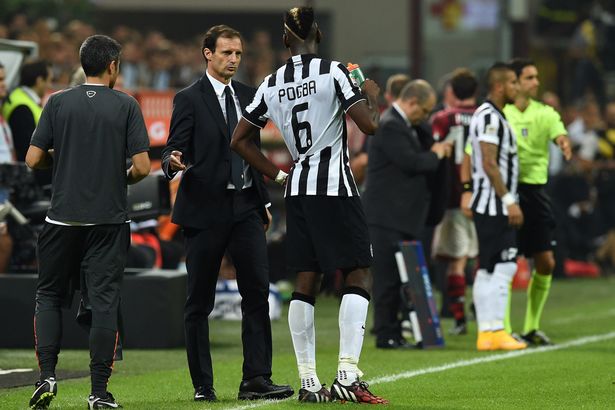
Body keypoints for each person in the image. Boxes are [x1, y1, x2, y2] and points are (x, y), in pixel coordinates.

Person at [231, 6, 388, 405]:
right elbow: (368, 126)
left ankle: (309, 382)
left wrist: (277, 174)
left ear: (285, 39)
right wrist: (371, 93)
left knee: (306, 279)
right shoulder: (335, 71)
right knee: (358, 272)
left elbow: (239, 140)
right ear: (317, 32)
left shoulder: (271, 82)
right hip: (334, 186)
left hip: (297, 188)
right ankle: (348, 375)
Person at [161, 25, 292, 403]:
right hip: (204, 210)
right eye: (226, 53)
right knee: (198, 302)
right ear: (208, 54)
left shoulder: (250, 96)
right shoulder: (188, 98)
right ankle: (203, 385)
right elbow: (173, 147)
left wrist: (264, 202)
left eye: (238, 53)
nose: (233, 59)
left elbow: (249, 152)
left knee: (257, 294)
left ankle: (256, 379)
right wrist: (172, 162)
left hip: (246, 208)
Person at [25, 34, 151, 409]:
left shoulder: (57, 102)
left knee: (48, 295)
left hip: (60, 220)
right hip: (108, 222)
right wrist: (121, 176)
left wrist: (57, 161)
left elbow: (32, 160)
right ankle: (98, 391)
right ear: (113, 66)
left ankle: (47, 375)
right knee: (104, 302)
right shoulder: (126, 106)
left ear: (83, 63)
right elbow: (142, 167)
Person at [362, 80, 451, 349]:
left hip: (400, 216)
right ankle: (386, 334)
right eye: (423, 111)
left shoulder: (406, 125)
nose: (425, 117)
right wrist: (435, 154)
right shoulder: (390, 126)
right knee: (387, 278)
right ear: (411, 102)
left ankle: (395, 331)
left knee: (399, 278)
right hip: (385, 216)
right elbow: (411, 163)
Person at [504, 58, 572, 346]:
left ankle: (531, 326)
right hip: (506, 192)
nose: (536, 82)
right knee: (505, 262)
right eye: (530, 77)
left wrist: (563, 142)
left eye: (536, 77)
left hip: (535, 193)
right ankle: (503, 328)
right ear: (515, 82)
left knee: (545, 262)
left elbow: (559, 132)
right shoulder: (500, 113)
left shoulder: (545, 113)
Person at [469, 62, 527, 351]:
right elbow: (489, 163)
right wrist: (508, 201)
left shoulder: (492, 115)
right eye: (514, 83)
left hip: (489, 204)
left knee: (489, 267)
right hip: (494, 205)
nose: (518, 88)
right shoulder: (490, 117)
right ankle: (496, 329)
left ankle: (487, 333)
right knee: (504, 266)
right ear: (500, 86)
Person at [430, 68, 479, 336]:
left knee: (456, 262)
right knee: (484, 261)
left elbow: (435, 154)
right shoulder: (487, 117)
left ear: (452, 90)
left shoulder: (441, 118)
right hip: (483, 198)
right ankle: (485, 314)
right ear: (475, 91)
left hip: (451, 198)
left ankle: (459, 318)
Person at [2, 59, 53, 188]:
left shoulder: (23, 100)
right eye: (49, 80)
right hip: (26, 176)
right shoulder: (22, 106)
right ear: (39, 80)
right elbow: (27, 147)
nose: (50, 86)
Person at [0, 62, 15, 273]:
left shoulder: (4, 119)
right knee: (4, 244)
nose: (4, 84)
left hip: (7, 200)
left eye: (3, 79)